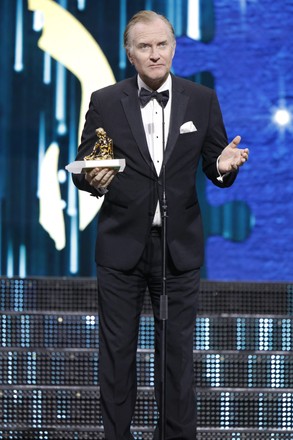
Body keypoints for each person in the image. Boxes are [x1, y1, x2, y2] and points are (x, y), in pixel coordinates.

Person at [72, 10, 249, 440]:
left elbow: (215, 164)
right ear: (130, 54)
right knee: (117, 355)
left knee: (176, 356)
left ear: (174, 46)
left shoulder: (201, 99)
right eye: (145, 47)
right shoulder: (106, 100)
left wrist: (225, 167)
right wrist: (90, 178)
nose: (155, 54)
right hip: (121, 249)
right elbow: (88, 163)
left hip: (178, 249)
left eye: (162, 44)